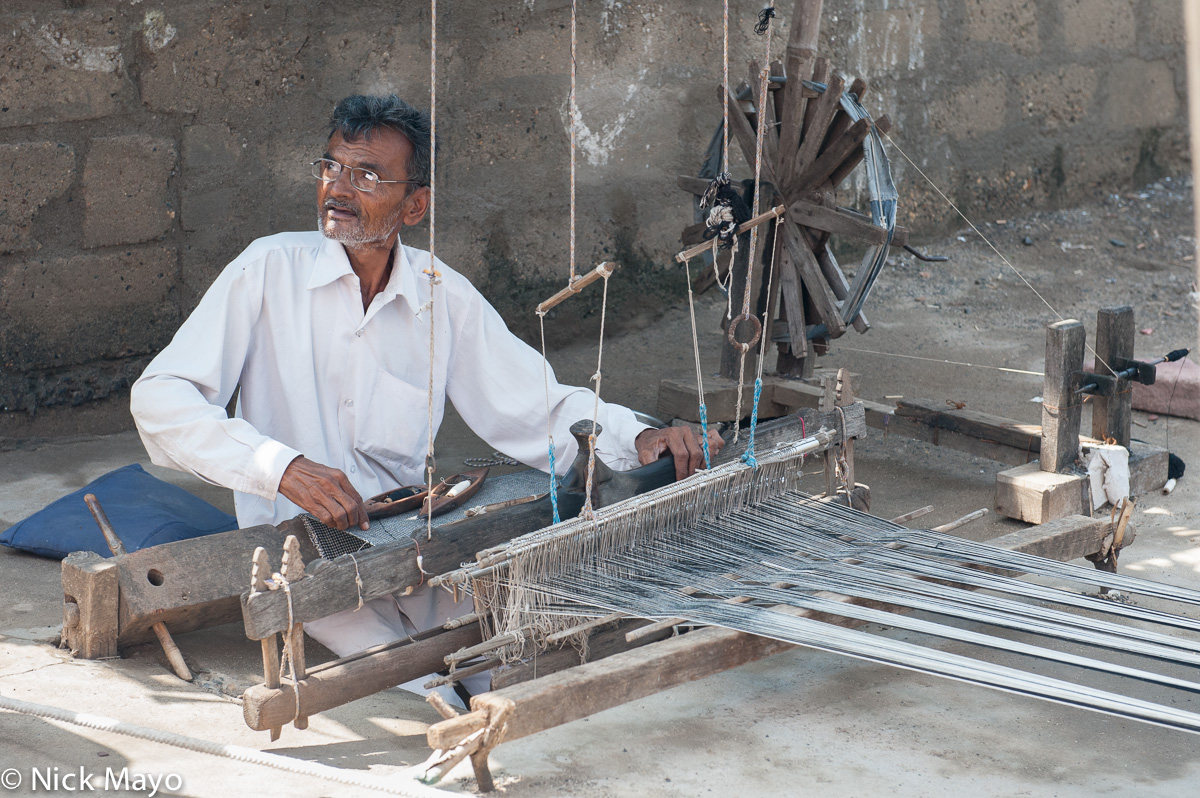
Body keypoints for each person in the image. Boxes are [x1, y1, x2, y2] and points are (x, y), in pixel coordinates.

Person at [131, 94, 721, 704]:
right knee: (419, 680)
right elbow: (160, 397)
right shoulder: (266, 272)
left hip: (415, 539)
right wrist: (279, 467)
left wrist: (639, 438)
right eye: (331, 167)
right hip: (302, 552)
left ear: (415, 204)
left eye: (367, 176)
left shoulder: (443, 297)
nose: (338, 188)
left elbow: (535, 405)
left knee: (514, 663)